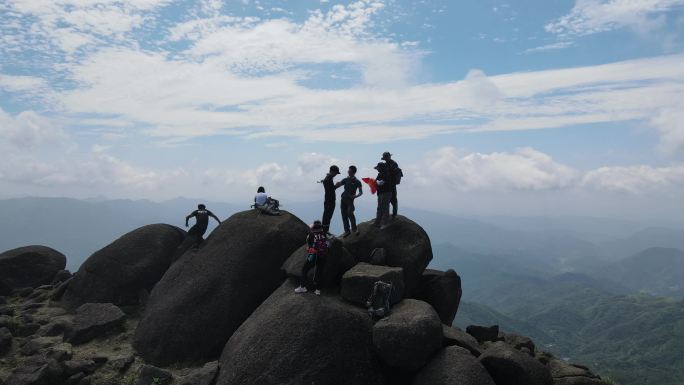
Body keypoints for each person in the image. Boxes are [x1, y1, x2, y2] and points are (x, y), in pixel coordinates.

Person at [295, 220, 329, 296]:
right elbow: (327, 244)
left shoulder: (311, 235)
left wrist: (309, 248)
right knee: (319, 272)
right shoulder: (324, 234)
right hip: (323, 256)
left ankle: (302, 287)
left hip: (313, 256)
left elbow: (309, 246)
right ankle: (318, 290)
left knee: (304, 269)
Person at [335, 165, 363, 237]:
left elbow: (361, 192)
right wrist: (335, 185)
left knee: (350, 213)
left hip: (350, 200)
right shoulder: (345, 179)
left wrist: (355, 196)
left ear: (353, 172)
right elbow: (338, 185)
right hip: (343, 199)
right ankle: (347, 231)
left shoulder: (357, 182)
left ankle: (354, 229)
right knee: (344, 215)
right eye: (348, 170)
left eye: (349, 171)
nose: (348, 171)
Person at [320, 165, 341, 234]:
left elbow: (329, 187)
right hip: (329, 200)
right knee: (327, 215)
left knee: (327, 215)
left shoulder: (329, 178)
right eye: (335, 173)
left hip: (328, 199)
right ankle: (324, 231)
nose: (335, 175)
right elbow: (330, 190)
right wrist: (336, 186)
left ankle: (325, 230)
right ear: (332, 171)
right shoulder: (328, 179)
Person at [382, 152, 402, 218]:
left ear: (389, 157)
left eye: (387, 157)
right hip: (386, 184)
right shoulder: (385, 164)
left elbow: (397, 172)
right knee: (386, 199)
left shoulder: (394, 164)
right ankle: (386, 214)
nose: (386, 158)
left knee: (393, 199)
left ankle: (394, 214)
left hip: (392, 184)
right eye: (385, 157)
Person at [374, 162, 393, 229]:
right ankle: (378, 222)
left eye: (378, 168)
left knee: (385, 208)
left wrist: (374, 182)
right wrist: (375, 182)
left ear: (381, 168)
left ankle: (385, 223)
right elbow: (376, 181)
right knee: (379, 208)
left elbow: (381, 183)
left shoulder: (386, 174)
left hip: (386, 193)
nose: (377, 169)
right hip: (380, 193)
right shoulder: (380, 174)